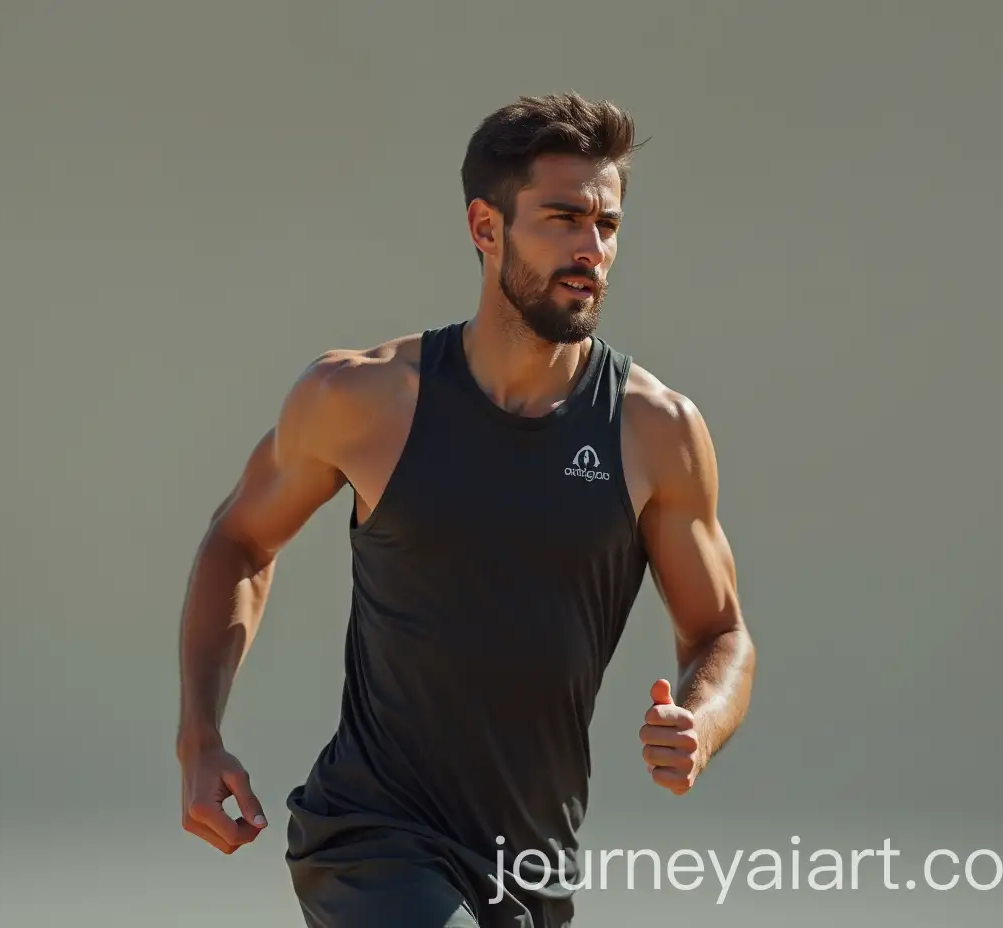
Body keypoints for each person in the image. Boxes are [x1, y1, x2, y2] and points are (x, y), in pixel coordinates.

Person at [175, 91, 756, 927]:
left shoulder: (656, 430)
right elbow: (239, 542)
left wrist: (698, 722)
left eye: (609, 226)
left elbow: (722, 634)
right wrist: (200, 737)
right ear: (486, 228)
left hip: (531, 860)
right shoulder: (362, 397)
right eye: (562, 218)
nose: (592, 248)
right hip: (371, 835)